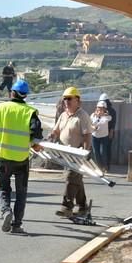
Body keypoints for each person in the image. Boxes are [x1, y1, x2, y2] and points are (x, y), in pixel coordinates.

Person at [0, 79, 43, 235]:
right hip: (21, 159)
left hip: (3, 157)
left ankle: (6, 211)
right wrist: (35, 144)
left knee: (2, 188)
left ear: (11, 92)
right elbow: (37, 134)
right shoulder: (30, 112)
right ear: (25, 96)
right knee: (21, 193)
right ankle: (17, 225)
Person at [49, 87, 92, 218]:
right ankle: (83, 206)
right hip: (65, 153)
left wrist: (85, 153)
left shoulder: (82, 116)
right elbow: (56, 132)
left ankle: (66, 206)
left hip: (77, 153)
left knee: (70, 178)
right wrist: (49, 140)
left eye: (69, 99)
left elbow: (87, 135)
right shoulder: (63, 115)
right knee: (76, 179)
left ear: (77, 100)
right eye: (65, 99)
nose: (66, 101)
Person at [91, 100, 112, 168]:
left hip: (104, 137)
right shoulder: (93, 115)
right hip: (95, 136)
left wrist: (100, 117)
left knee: (103, 152)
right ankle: (99, 167)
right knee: (96, 153)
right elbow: (91, 123)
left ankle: (104, 166)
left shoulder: (107, 117)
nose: (100, 110)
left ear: (105, 109)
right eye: (99, 108)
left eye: (102, 108)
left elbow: (103, 122)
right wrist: (93, 126)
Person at [98, 93, 117, 168]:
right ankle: (102, 165)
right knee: (102, 150)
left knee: (107, 149)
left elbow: (113, 122)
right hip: (100, 132)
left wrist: (111, 132)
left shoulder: (112, 111)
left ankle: (107, 165)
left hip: (108, 132)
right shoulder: (99, 110)